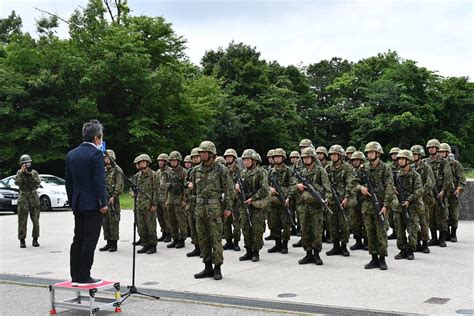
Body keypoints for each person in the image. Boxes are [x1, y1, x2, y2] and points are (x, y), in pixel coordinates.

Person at [65, 119, 107, 286]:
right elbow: (99, 181)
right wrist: (102, 203)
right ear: (97, 138)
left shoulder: (71, 154)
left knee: (78, 239)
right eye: (101, 137)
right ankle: (84, 275)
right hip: (93, 205)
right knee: (90, 240)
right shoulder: (96, 154)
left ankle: (75, 275)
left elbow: (69, 182)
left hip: (78, 203)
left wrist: (72, 201)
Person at [189, 141, 234, 280]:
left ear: (211, 154)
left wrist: (228, 208)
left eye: (204, 152)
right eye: (200, 152)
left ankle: (217, 268)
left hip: (214, 210)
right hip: (200, 209)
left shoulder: (221, 169)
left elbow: (229, 190)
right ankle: (207, 266)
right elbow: (194, 192)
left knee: (215, 240)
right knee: (203, 239)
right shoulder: (196, 170)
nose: (201, 154)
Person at [355, 141, 395, 271]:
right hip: (367, 206)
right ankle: (374, 258)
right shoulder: (363, 168)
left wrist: (385, 205)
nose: (370, 154)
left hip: (381, 206)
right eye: (368, 152)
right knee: (370, 233)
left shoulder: (385, 168)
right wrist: (360, 188)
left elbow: (389, 187)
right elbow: (353, 182)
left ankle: (382, 259)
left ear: (378, 153)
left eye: (372, 152)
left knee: (381, 233)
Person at [290, 147, 331, 266]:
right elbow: (292, 187)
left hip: (316, 206)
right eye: (304, 158)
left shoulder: (320, 171)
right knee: (305, 230)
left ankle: (316, 254)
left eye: (308, 157)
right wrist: (297, 186)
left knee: (317, 230)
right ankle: (308, 253)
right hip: (303, 206)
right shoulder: (301, 172)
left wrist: (327, 199)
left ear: (313, 158)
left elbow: (327, 188)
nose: (306, 159)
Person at [237, 149, 270, 263]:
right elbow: (239, 188)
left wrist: (253, 198)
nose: (245, 162)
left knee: (257, 229)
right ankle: (248, 251)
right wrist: (237, 188)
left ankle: (256, 252)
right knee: (245, 228)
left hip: (257, 205)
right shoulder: (242, 173)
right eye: (244, 160)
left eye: (247, 159)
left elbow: (264, 189)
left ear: (254, 161)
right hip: (245, 204)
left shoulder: (260, 172)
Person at [325, 145, 354, 257]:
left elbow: (350, 184)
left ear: (340, 156)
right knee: (332, 224)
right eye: (331, 154)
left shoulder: (348, 168)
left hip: (343, 200)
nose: (332, 156)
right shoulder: (327, 168)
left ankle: (344, 246)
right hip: (332, 201)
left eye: (335, 154)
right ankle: (335, 246)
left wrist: (346, 197)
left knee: (345, 225)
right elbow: (325, 184)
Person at [393, 150, 422, 261]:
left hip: (412, 206)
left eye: (402, 159)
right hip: (399, 205)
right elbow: (389, 186)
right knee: (399, 229)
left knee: (412, 229)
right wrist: (393, 189)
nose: (400, 161)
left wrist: (409, 200)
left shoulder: (415, 175)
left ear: (408, 161)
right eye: (399, 159)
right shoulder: (396, 175)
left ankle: (410, 250)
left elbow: (419, 190)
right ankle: (402, 249)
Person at [424, 139, 453, 247]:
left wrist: (443, 191)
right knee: (430, 216)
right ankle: (434, 238)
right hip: (429, 193)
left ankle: (442, 238)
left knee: (441, 216)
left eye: (433, 147)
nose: (431, 149)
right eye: (429, 147)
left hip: (440, 192)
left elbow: (448, 178)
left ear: (437, 148)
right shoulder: (425, 162)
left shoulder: (443, 161)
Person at [438, 143, 466, 242]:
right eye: (439, 152)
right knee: (443, 214)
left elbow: (462, 179)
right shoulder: (439, 164)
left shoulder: (455, 164)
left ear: (447, 152)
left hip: (453, 193)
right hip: (443, 193)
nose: (441, 154)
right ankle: (446, 233)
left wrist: (459, 189)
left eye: (442, 152)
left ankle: (453, 234)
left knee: (454, 214)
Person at [267, 148, 292, 254]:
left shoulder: (288, 170)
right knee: (274, 224)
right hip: (273, 202)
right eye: (275, 157)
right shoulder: (271, 171)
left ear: (283, 158)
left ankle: (285, 244)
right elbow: (264, 184)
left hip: (284, 201)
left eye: (279, 157)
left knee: (286, 224)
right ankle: (277, 244)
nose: (277, 159)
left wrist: (289, 197)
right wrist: (270, 189)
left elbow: (293, 185)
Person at [99, 149, 124, 253]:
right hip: (104, 199)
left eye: (108, 158)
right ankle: (108, 242)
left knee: (113, 221)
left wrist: (114, 196)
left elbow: (120, 185)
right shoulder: (104, 170)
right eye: (105, 158)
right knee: (105, 222)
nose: (107, 160)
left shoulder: (117, 170)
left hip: (113, 199)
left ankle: (114, 243)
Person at [410, 145, 434, 253]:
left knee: (424, 222)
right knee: (414, 222)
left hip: (424, 198)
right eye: (412, 154)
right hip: (413, 199)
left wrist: (419, 193)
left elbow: (430, 183)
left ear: (420, 155)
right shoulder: (411, 167)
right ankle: (416, 242)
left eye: (415, 154)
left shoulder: (426, 167)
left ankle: (425, 244)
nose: (413, 156)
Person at [133, 154, 158, 254]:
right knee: (142, 226)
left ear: (147, 163)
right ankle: (145, 244)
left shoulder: (153, 175)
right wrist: (132, 192)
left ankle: (152, 245)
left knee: (151, 226)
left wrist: (154, 204)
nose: (142, 164)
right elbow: (133, 187)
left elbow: (156, 190)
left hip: (149, 205)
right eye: (140, 162)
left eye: (144, 162)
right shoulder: (138, 176)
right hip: (139, 205)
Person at [15, 154, 41, 248]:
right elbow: (17, 183)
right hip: (23, 197)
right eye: (25, 163)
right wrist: (22, 173)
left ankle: (35, 239)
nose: (27, 165)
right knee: (22, 220)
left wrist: (29, 174)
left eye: (28, 163)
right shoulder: (19, 173)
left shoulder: (34, 173)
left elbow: (37, 183)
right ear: (21, 164)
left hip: (33, 197)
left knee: (35, 220)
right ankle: (22, 240)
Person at [165, 151, 187, 249]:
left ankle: (181, 240)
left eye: (174, 161)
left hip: (179, 199)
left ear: (178, 161)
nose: (173, 162)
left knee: (181, 220)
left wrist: (184, 200)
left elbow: (186, 188)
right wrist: (166, 199)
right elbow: (165, 187)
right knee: (172, 220)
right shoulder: (168, 172)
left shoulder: (184, 172)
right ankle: (175, 238)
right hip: (170, 199)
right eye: (171, 161)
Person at [223, 148, 242, 252]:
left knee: (236, 223)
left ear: (234, 158)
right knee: (226, 222)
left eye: (230, 157)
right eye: (227, 157)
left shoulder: (239, 170)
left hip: (235, 200)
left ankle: (236, 242)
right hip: (225, 199)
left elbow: (242, 183)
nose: (228, 158)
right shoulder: (223, 170)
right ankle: (228, 241)